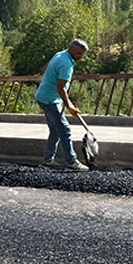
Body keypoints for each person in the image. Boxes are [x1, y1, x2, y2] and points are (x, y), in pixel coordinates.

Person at [35, 39, 90, 171]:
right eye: (79, 53)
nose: (80, 57)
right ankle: (71, 161)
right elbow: (61, 88)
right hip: (50, 100)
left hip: (43, 96)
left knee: (55, 130)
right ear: (71, 49)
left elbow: (45, 68)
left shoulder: (60, 54)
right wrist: (69, 105)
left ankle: (48, 160)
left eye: (82, 54)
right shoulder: (66, 64)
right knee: (65, 130)